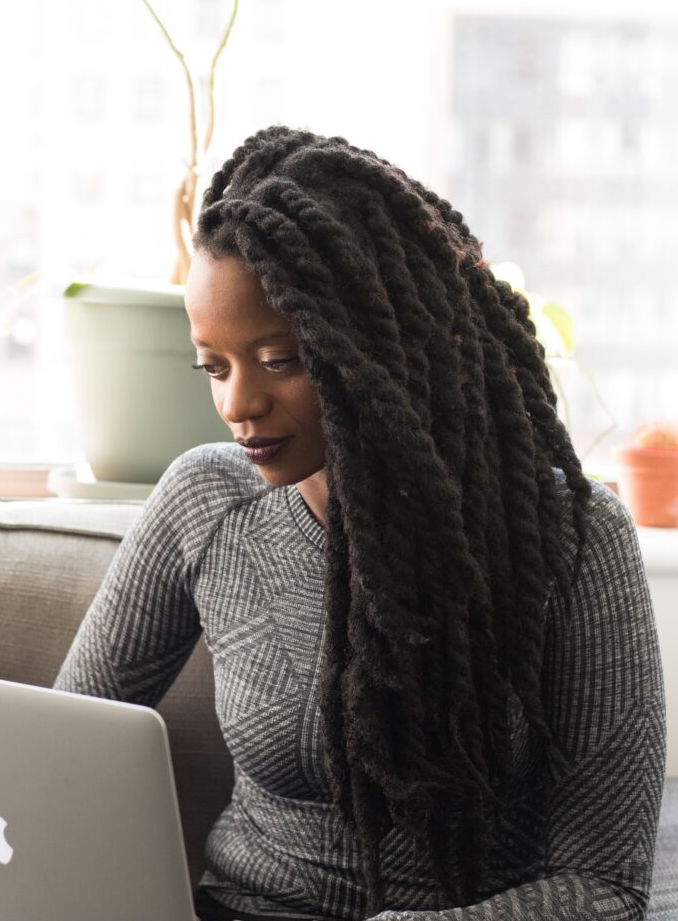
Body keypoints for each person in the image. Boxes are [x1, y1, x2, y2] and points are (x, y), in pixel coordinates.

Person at [54, 125, 665, 920]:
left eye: (279, 360)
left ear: (379, 347)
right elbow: (56, 749)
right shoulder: (205, 502)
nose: (237, 404)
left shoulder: (578, 544)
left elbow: (605, 888)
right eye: (214, 366)